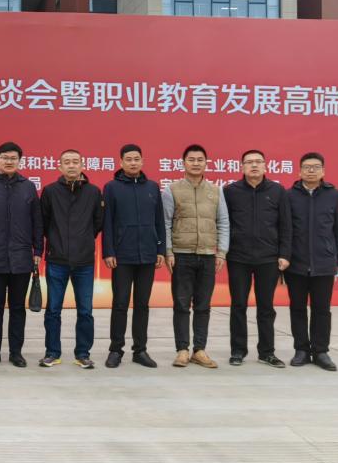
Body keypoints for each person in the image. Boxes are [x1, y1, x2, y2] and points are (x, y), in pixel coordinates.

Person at [0, 142, 43, 368]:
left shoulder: (28, 187)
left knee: (17, 308)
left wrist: (38, 250)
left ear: (19, 161)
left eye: (13, 158)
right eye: (5, 157)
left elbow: (37, 222)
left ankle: (16, 353)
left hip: (21, 259)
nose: (9, 161)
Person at [162, 144, 229, 369]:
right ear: (183, 163)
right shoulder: (172, 190)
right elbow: (165, 222)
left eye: (200, 159)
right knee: (181, 304)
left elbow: (223, 222)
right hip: (182, 255)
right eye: (191, 159)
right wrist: (168, 251)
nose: (196, 163)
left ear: (206, 163)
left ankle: (199, 350)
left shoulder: (216, 191)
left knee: (203, 305)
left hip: (208, 255)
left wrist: (222, 252)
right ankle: (182, 350)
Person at [223, 150, 291, 368]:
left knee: (266, 307)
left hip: (268, 258)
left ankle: (267, 352)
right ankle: (238, 351)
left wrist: (284, 254)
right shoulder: (230, 191)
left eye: (258, 162)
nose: (254, 165)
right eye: (249, 162)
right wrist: (222, 251)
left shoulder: (278, 191)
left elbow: (286, 225)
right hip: (238, 257)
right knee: (238, 305)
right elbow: (223, 223)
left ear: (265, 165)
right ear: (242, 166)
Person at [284, 152, 338, 371]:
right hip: (296, 264)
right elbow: (284, 230)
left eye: (315, 167)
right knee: (297, 308)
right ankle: (301, 350)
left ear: (323, 171)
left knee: (322, 309)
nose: (311, 170)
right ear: (299, 171)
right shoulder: (288, 196)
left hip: (324, 263)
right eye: (306, 167)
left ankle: (321, 351)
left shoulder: (335, 196)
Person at [39, 149, 103, 368]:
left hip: (84, 262)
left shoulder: (93, 192)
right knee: (53, 310)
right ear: (59, 166)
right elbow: (44, 222)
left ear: (82, 165)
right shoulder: (50, 191)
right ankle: (52, 352)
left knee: (85, 310)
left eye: (76, 162)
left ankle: (82, 353)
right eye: (67, 162)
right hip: (57, 260)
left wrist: (83, 240)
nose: (72, 165)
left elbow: (98, 223)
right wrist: (56, 243)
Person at [102, 144, 164, 369]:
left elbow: (159, 221)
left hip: (147, 254)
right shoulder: (111, 188)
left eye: (137, 159)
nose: (133, 162)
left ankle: (140, 350)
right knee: (120, 303)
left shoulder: (152, 187)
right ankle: (115, 350)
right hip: (122, 256)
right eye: (128, 159)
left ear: (142, 161)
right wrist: (109, 251)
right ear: (121, 162)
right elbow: (107, 222)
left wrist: (160, 249)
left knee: (142, 304)